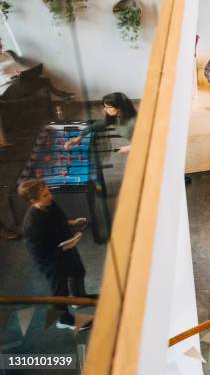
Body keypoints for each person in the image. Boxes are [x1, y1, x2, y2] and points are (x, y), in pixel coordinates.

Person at [18, 179, 93, 331]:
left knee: (78, 271)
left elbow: (58, 220)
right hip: (51, 261)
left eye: (48, 192)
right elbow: (40, 255)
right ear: (33, 201)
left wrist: (71, 223)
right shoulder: (32, 224)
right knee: (60, 291)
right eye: (45, 195)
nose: (50, 196)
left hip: (66, 246)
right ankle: (64, 320)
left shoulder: (49, 204)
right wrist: (66, 247)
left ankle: (79, 299)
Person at [0, 38, 73, 100]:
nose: (1, 47)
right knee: (40, 81)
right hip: (5, 88)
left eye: (1, 45)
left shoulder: (6, 54)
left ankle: (64, 96)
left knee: (44, 79)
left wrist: (20, 72)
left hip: (17, 81)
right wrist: (10, 78)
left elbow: (15, 66)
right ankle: (63, 96)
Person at [64, 92, 136, 154]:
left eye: (108, 107)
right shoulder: (115, 117)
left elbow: (145, 143)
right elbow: (94, 126)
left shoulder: (135, 121)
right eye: (104, 106)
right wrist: (78, 139)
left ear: (119, 108)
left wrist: (130, 148)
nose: (105, 109)